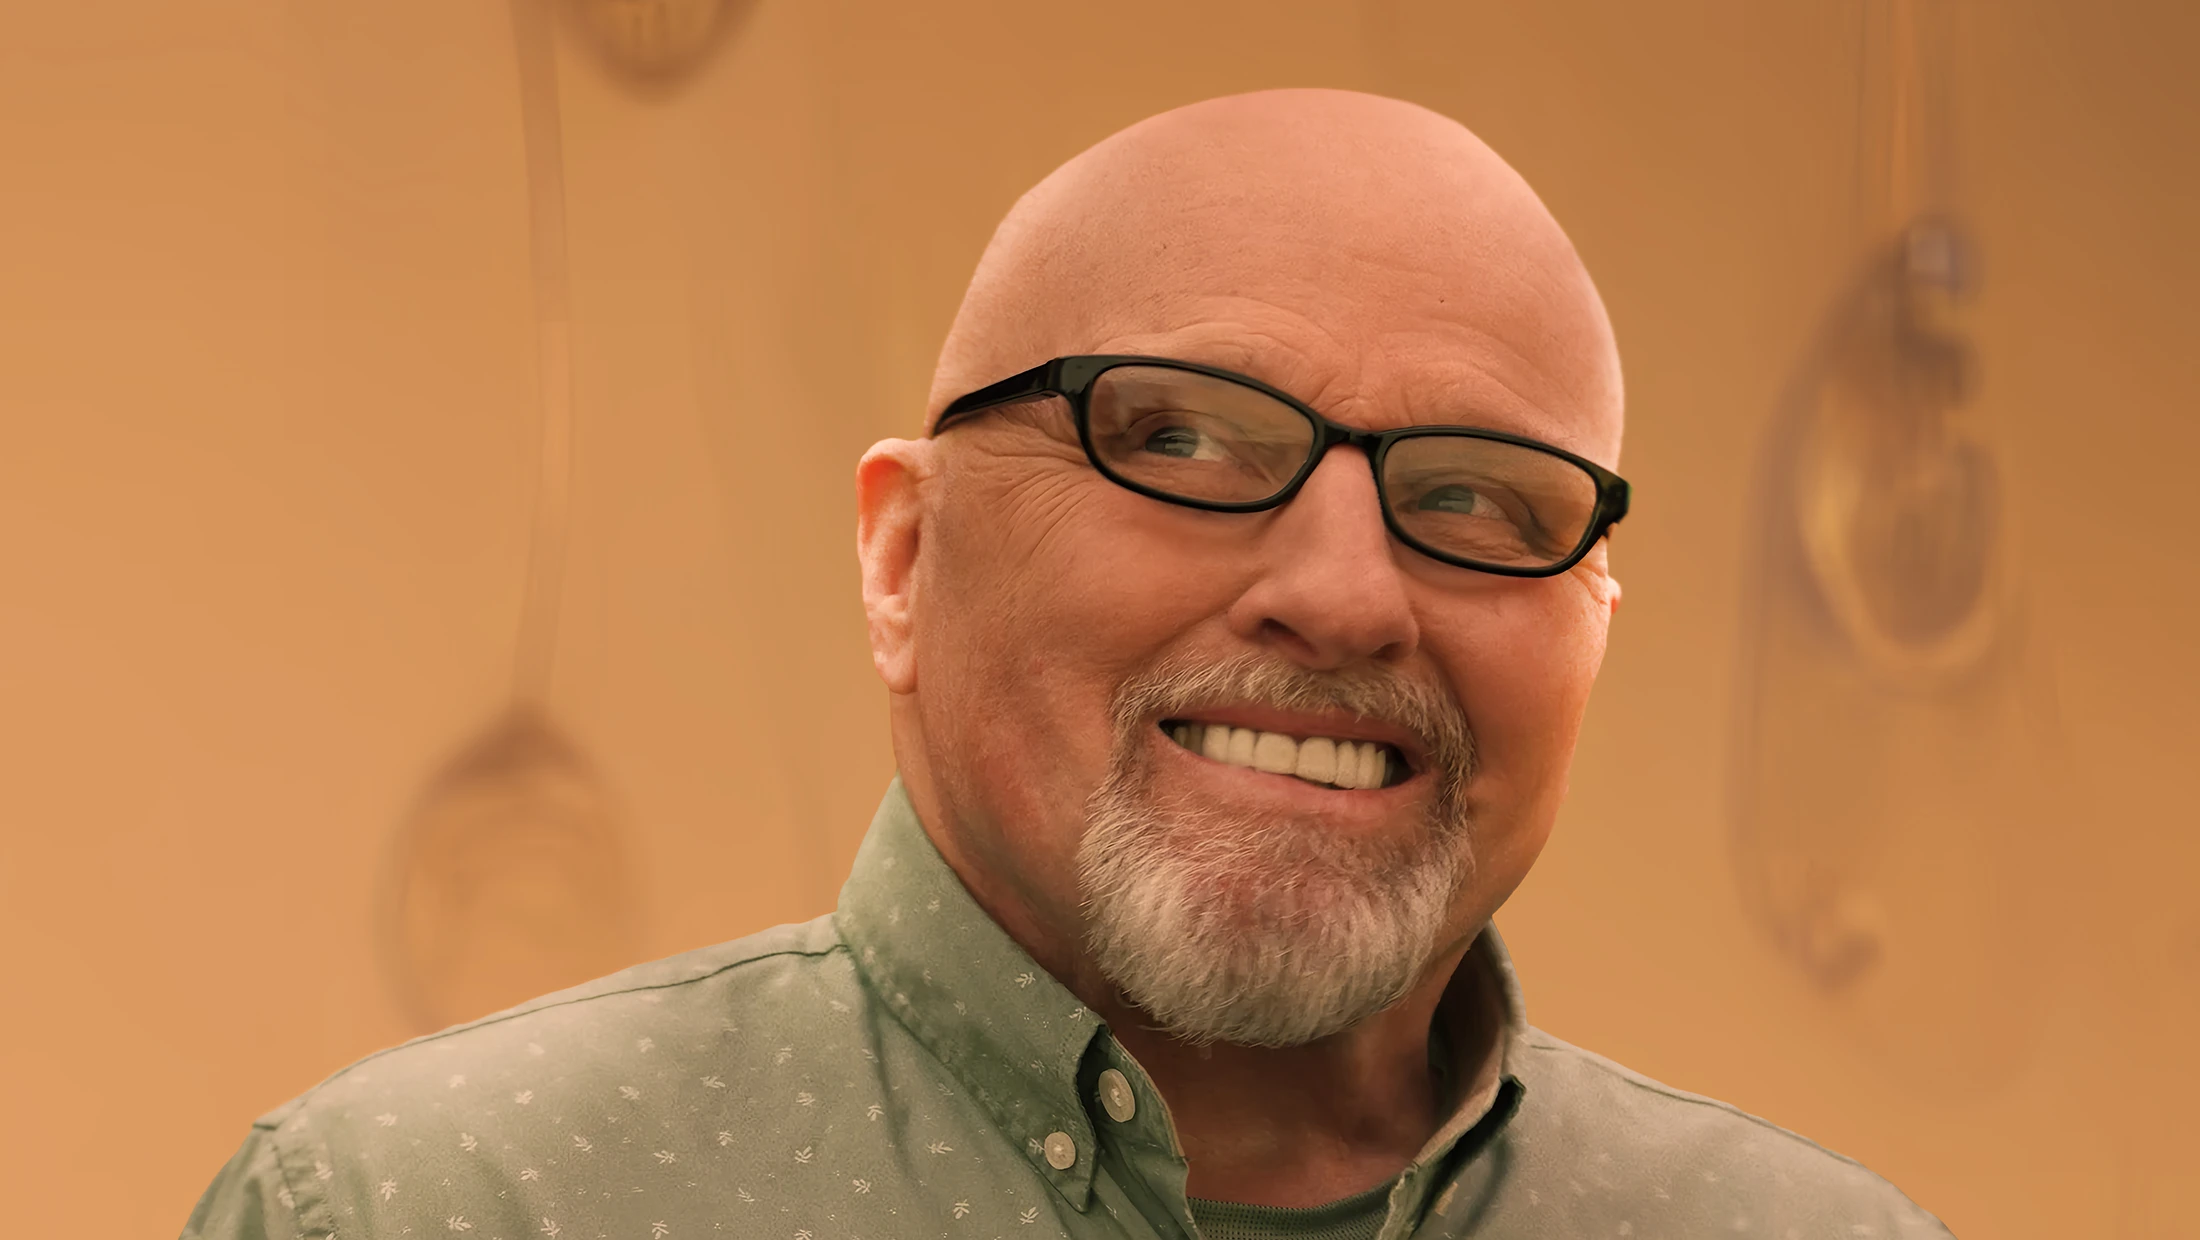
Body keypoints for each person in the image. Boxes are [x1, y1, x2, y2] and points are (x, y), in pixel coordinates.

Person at [183, 88, 1954, 1240]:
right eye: (1183, 440)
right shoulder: (436, 1213)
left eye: (1481, 501)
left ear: (1591, 637)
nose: (1346, 596)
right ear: (904, 555)